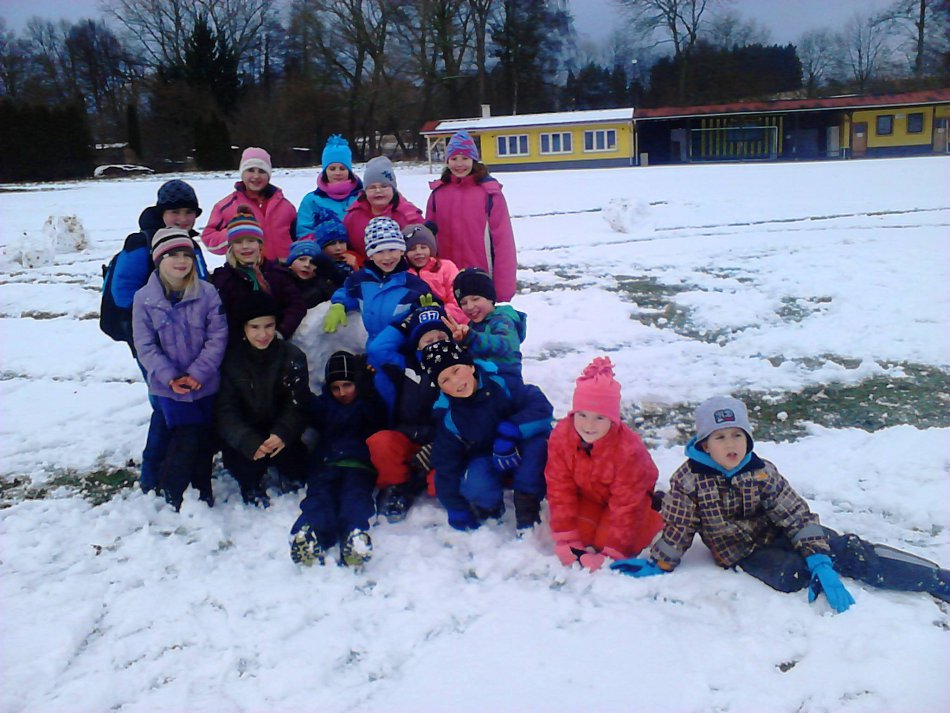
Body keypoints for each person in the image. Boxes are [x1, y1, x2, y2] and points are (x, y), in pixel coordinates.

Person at [611, 396, 950, 612]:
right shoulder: (688, 481)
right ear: (704, 444)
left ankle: (936, 578)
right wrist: (660, 563)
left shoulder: (762, 471)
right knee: (791, 574)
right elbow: (680, 528)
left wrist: (819, 556)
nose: (731, 444)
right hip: (742, 551)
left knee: (848, 550)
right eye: (720, 437)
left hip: (778, 531)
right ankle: (810, 570)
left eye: (738, 435)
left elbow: (795, 513)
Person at [102, 179, 210, 494]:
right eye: (175, 212)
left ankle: (177, 464)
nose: (182, 219)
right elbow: (123, 294)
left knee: (179, 399)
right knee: (165, 402)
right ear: (161, 212)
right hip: (150, 339)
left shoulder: (190, 244)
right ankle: (153, 473)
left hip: (186, 338)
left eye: (189, 212)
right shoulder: (141, 245)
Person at [132, 228, 228, 511]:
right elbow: (145, 344)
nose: (181, 261)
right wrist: (170, 376)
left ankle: (202, 488)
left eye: (186, 254)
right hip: (168, 387)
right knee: (184, 437)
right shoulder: (144, 299)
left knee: (203, 438)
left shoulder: (207, 293)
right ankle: (173, 491)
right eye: (172, 255)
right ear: (158, 259)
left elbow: (217, 336)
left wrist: (198, 373)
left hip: (204, 383)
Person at [421, 340, 553, 532]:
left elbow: (540, 406)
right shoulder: (449, 417)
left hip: (519, 442)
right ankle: (490, 510)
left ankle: (527, 506)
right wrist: (456, 509)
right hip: (485, 455)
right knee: (476, 483)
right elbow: (445, 464)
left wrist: (510, 431)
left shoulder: (500, 382)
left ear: (471, 366)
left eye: (456, 370)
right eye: (445, 380)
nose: (455, 382)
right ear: (441, 388)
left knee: (537, 450)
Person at [545, 357, 662, 571]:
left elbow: (626, 506)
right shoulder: (561, 437)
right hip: (590, 496)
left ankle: (654, 512)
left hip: (629, 501)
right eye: (582, 415)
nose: (589, 425)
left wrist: (613, 552)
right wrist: (566, 538)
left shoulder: (628, 450)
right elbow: (559, 488)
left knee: (609, 541)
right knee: (581, 536)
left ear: (613, 419)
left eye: (600, 418)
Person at [323, 217, 433, 414]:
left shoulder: (414, 285)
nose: (387, 257)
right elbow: (346, 292)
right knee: (382, 398)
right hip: (375, 350)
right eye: (379, 251)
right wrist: (338, 305)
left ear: (401, 250)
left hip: (402, 350)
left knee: (406, 397)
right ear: (370, 255)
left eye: (392, 249)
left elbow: (431, 312)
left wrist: (431, 311)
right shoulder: (360, 280)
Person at [289, 351, 386, 567]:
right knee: (319, 498)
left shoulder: (366, 404)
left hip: (358, 466)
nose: (341, 393)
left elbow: (380, 419)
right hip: (326, 465)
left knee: (355, 497)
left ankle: (354, 535)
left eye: (347, 385)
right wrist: (299, 388)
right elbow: (308, 406)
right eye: (335, 387)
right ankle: (310, 535)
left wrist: (369, 393)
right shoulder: (324, 405)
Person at [215, 292, 311, 507]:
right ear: (244, 328)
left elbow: (298, 402)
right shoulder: (231, 360)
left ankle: (288, 470)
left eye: (269, 326)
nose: (263, 334)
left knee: (297, 465)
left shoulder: (292, 356)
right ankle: (250, 483)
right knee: (246, 468)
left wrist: (283, 433)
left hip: (279, 430)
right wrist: (246, 440)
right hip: (247, 431)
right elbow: (225, 410)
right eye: (255, 327)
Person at [367, 305, 450, 522]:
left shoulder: (458, 366)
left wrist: (438, 447)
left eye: (441, 338)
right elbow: (377, 349)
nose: (436, 344)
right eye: (428, 340)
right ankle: (398, 486)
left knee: (440, 484)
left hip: (442, 444)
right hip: (407, 437)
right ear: (417, 345)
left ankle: (421, 481)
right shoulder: (405, 365)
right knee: (380, 443)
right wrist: (406, 321)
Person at [425, 130, 517, 302]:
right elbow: (427, 242)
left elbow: (503, 243)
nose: (459, 164)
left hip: (482, 279)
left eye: (465, 158)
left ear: (474, 160)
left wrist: (503, 289)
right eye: (454, 158)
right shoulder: (438, 194)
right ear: (447, 161)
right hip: (447, 281)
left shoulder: (490, 194)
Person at [210, 207, 306, 341]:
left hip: (276, 340)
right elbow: (220, 317)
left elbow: (296, 305)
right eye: (238, 242)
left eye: (250, 240)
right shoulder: (223, 279)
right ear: (231, 247)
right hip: (238, 345)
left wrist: (281, 331)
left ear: (260, 244)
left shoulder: (277, 274)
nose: (245, 246)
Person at [201, 147, 297, 262]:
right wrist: (234, 234)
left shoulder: (285, 206)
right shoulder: (226, 206)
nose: (256, 176)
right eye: (250, 170)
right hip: (246, 269)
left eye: (262, 171)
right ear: (242, 173)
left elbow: (298, 236)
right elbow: (208, 238)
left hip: (284, 268)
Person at [443, 267, 525, 378]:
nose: (469, 306)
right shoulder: (473, 325)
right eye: (463, 303)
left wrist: (471, 338)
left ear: (490, 298)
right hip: (481, 380)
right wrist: (459, 342)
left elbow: (507, 344)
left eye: (475, 299)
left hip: (505, 380)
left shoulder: (502, 320)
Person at [343, 156, 424, 261]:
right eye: (372, 187)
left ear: (393, 189)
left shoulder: (409, 216)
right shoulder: (353, 216)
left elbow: (423, 249)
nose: (378, 191)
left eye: (384, 186)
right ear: (365, 191)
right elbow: (344, 247)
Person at [403, 223, 466, 325]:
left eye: (423, 247)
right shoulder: (403, 274)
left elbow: (458, 301)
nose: (418, 252)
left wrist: (437, 314)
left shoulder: (446, 267)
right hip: (414, 325)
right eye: (412, 249)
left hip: (448, 323)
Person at [296, 134, 363, 232]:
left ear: (349, 171)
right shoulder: (311, 201)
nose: (337, 173)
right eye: (332, 169)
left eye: (342, 168)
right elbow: (304, 232)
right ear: (325, 171)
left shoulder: (362, 197)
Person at [285, 237, 340, 309]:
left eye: (313, 262)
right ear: (290, 264)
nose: (307, 265)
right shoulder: (279, 282)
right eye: (302, 259)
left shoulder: (324, 286)